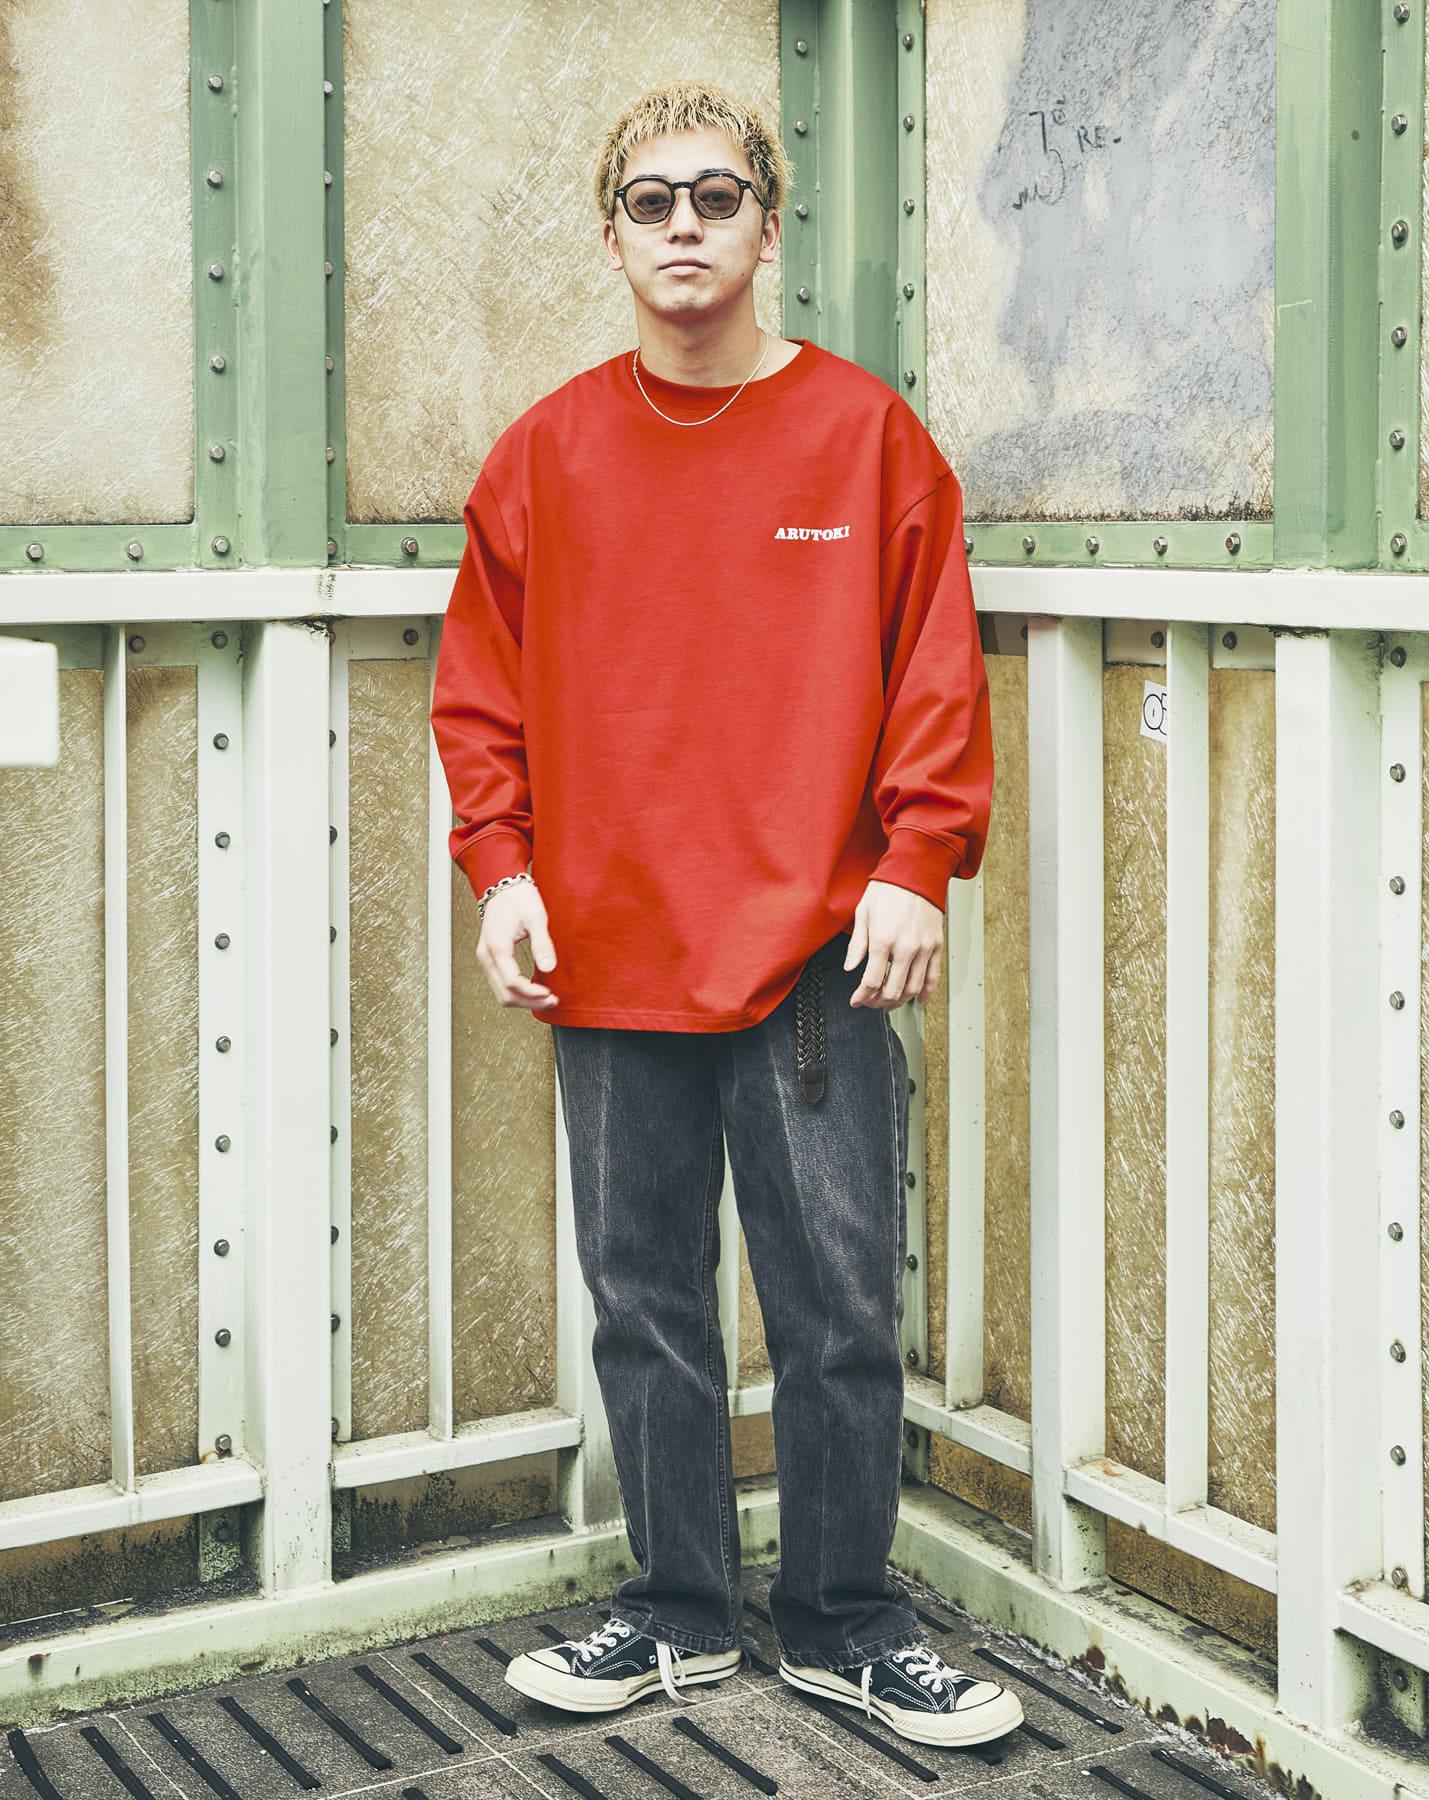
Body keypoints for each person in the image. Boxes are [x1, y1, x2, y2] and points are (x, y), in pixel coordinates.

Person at [428, 78, 1018, 1751]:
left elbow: (934, 665)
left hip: (814, 952)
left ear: (770, 225)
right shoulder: (544, 454)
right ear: (610, 235)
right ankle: (677, 1613)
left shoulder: (867, 437)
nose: (682, 228)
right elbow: (478, 695)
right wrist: (501, 869)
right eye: (650, 201)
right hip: (609, 950)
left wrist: (917, 860)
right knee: (646, 1304)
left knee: (838, 1309)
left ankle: (843, 1625)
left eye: (714, 198)